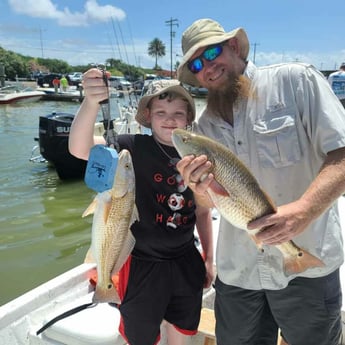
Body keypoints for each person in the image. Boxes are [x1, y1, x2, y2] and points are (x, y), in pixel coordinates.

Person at [175, 18, 345, 345]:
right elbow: (211, 203)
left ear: (235, 46)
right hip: (239, 273)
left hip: (307, 265)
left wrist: (304, 211)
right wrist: (200, 190)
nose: (207, 67)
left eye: (212, 52)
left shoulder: (297, 82)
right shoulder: (204, 126)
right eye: (196, 64)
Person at [69, 74, 214, 345]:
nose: (169, 119)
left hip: (186, 260)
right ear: (147, 115)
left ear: (188, 118)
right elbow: (79, 149)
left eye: (178, 113)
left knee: (181, 331)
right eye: (161, 112)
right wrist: (90, 102)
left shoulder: (198, 156)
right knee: (140, 336)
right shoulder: (131, 147)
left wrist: (208, 258)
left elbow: (204, 212)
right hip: (141, 264)